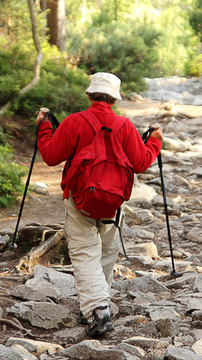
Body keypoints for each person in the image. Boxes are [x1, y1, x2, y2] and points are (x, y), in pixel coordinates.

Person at [35, 72, 163, 337]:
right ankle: (95, 308)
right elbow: (140, 163)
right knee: (106, 251)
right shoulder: (125, 126)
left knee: (84, 253)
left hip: (79, 197)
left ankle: (98, 310)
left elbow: (49, 156)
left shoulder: (74, 122)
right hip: (114, 202)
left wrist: (44, 128)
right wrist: (155, 142)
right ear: (114, 100)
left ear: (89, 95)